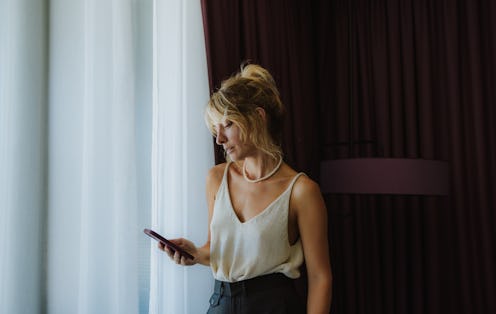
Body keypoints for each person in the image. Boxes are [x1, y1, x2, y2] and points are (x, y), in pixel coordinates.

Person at [159, 63, 332, 313]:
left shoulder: (301, 191)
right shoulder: (216, 178)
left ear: (257, 118)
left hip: (274, 306)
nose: (219, 139)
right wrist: (196, 253)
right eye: (216, 128)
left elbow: (320, 278)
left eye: (227, 125)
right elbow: (216, 249)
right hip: (220, 304)